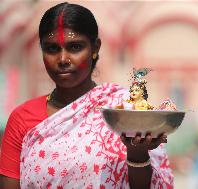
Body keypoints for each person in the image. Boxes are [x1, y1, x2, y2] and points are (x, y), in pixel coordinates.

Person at [0, 2, 173, 189]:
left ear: (95, 48)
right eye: (51, 49)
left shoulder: (125, 112)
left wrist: (137, 153)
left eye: (75, 47)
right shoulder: (22, 118)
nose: (63, 59)